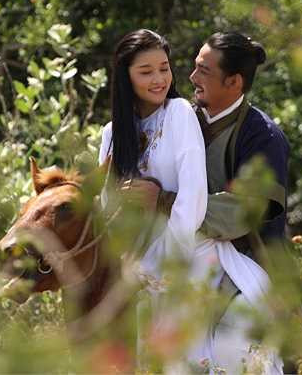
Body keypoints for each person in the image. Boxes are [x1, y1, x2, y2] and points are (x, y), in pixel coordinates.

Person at [99, 29, 284, 373]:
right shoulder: (129, 129)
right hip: (147, 258)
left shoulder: (262, 135)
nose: (191, 77)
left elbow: (245, 212)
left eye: (204, 71)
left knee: (231, 347)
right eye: (194, 67)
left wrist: (163, 201)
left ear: (234, 82)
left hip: (238, 254)